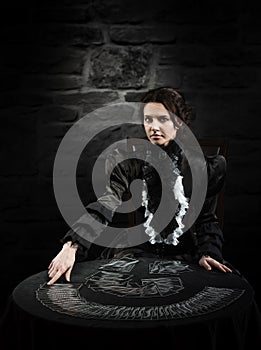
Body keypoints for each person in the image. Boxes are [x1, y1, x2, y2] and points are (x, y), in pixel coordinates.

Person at [47, 87, 233, 286]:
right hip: (137, 254)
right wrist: (72, 245)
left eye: (162, 119)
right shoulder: (131, 162)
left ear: (178, 123)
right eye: (148, 119)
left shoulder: (202, 167)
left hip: (186, 256)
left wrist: (208, 252)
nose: (153, 127)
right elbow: (106, 203)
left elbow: (206, 219)